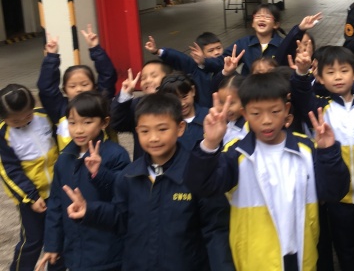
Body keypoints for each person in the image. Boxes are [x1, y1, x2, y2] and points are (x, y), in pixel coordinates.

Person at [184, 72, 350, 271]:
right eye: (256, 113)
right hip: (256, 262)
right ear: (245, 114)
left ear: (286, 110)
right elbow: (202, 185)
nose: (266, 120)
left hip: (302, 257)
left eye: (275, 111)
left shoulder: (307, 149)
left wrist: (328, 153)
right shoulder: (236, 154)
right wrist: (209, 144)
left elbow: (334, 192)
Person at [63, 93, 230, 270]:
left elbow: (215, 230)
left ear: (180, 128)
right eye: (145, 131)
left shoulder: (198, 174)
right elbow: (121, 218)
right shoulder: (129, 176)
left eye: (162, 129)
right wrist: (89, 211)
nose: (153, 138)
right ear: (137, 131)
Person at [291, 45, 354, 271]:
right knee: (344, 248)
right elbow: (301, 95)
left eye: (344, 70)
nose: (338, 77)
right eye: (330, 72)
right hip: (337, 199)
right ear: (320, 78)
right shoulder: (321, 109)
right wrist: (301, 73)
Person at [38, 91, 130, 271]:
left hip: (107, 251)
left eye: (87, 122)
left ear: (104, 122)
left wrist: (99, 173)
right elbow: (56, 204)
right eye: (72, 123)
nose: (78, 130)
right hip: (74, 250)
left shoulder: (116, 154)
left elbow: (123, 194)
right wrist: (52, 244)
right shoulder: (64, 158)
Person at [0, 84, 66, 271]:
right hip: (30, 198)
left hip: (58, 190)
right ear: (4, 117)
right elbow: (9, 171)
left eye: (27, 116)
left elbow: (61, 143)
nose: (22, 122)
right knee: (33, 240)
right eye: (15, 121)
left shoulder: (44, 117)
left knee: (59, 235)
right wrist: (31, 197)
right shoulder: (3, 135)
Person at [37, 25, 117, 148]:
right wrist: (51, 57)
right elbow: (46, 88)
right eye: (72, 86)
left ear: (94, 86)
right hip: (70, 158)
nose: (79, 89)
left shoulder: (100, 102)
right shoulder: (59, 108)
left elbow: (108, 76)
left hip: (103, 156)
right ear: (65, 90)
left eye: (84, 84)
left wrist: (95, 49)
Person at [201, 5, 322, 76]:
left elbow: (290, 45)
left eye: (267, 17)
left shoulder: (282, 44)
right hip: (250, 93)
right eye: (258, 16)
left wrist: (300, 29)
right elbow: (223, 61)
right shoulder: (244, 43)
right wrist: (203, 62)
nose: (262, 19)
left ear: (276, 24)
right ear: (252, 23)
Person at [145, 31, 226, 108]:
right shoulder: (195, 68)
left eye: (219, 48)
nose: (217, 52)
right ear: (200, 53)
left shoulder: (226, 65)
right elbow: (178, 58)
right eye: (211, 50)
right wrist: (157, 51)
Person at [110, 60, 172, 159]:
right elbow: (117, 124)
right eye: (143, 78)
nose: (148, 80)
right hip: (143, 162)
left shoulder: (178, 103)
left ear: (168, 78)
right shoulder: (137, 105)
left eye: (154, 76)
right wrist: (125, 95)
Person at [158, 72, 208, 151]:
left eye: (184, 97)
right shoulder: (163, 124)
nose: (182, 103)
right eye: (175, 100)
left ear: (193, 91)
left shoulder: (208, 117)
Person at [216, 73, 249, 144]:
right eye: (221, 102)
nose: (225, 108)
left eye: (231, 103)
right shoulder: (222, 123)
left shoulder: (248, 128)